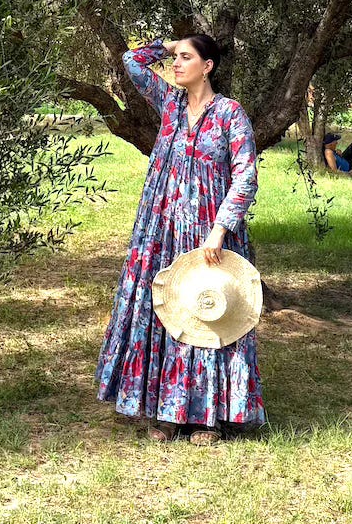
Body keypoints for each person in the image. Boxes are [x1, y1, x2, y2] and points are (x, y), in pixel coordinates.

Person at [95, 34, 266, 445]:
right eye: (176, 58)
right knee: (166, 312)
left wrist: (220, 228)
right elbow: (132, 62)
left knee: (209, 313)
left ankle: (207, 417)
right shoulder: (168, 103)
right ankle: (167, 410)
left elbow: (246, 175)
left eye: (187, 58)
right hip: (160, 230)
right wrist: (170, 44)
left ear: (208, 66)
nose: (176, 64)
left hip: (210, 234)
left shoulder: (230, 115)